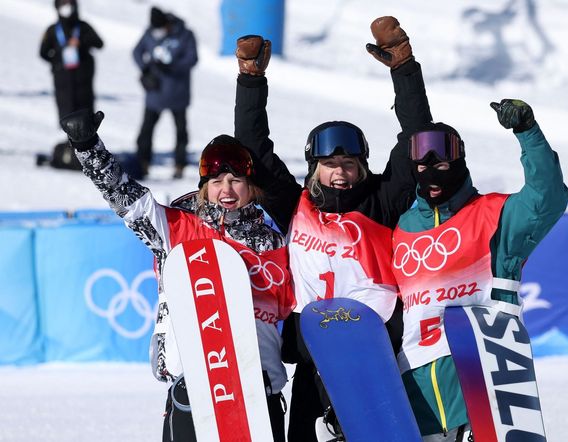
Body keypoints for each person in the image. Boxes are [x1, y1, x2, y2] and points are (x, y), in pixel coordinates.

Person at [233, 16, 432, 441]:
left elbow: (417, 138)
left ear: (362, 166)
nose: (340, 174)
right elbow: (252, 147)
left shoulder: (381, 199)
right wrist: (250, 81)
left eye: (349, 165)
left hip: (372, 351)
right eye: (330, 166)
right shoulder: (296, 202)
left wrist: (404, 68)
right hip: (313, 352)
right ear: (314, 168)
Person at [59, 109, 295, 442]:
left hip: (260, 389)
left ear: (251, 188)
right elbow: (129, 201)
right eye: (216, 181)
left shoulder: (274, 243)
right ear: (204, 189)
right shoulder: (179, 228)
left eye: (235, 180)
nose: (225, 188)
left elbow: (288, 308)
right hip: (194, 387)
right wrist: (87, 147)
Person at [391, 99, 568, 441]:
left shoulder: (494, 215)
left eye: (442, 164)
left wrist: (527, 132)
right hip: (415, 388)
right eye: (423, 165)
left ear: (459, 163)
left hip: (483, 382)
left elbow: (548, 197)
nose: (431, 172)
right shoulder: (401, 229)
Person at [133, 6, 198, 179]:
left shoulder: (185, 34)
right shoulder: (151, 32)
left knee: (181, 131)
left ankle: (179, 164)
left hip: (178, 93)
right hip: (155, 93)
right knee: (146, 130)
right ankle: (143, 163)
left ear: (167, 25)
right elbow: (137, 51)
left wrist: (172, 67)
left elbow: (192, 58)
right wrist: (145, 70)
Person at [39, 0, 103, 170]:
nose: (66, 8)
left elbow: (99, 43)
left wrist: (81, 42)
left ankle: (90, 152)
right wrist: (58, 61)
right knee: (67, 117)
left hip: (83, 83)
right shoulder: (53, 30)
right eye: (63, 4)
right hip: (63, 84)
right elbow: (43, 52)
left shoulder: (83, 27)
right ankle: (72, 153)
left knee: (86, 118)